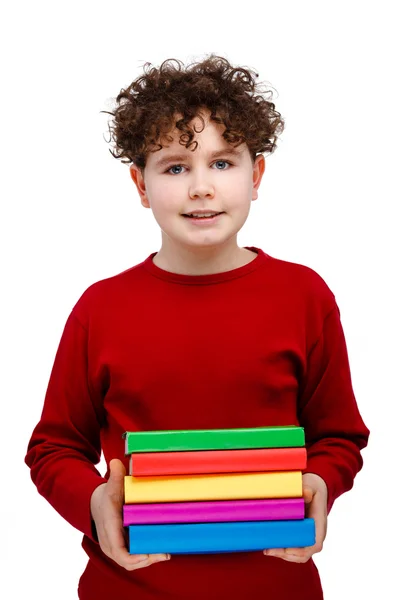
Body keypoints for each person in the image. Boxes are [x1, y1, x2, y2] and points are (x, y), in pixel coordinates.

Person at [25, 54, 370, 600]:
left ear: (256, 176)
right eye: (176, 167)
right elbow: (54, 447)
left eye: (223, 163)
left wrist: (321, 482)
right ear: (140, 184)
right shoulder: (100, 307)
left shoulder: (304, 296)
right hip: (128, 587)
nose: (201, 188)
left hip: (276, 586)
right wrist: (93, 503)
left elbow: (340, 436)